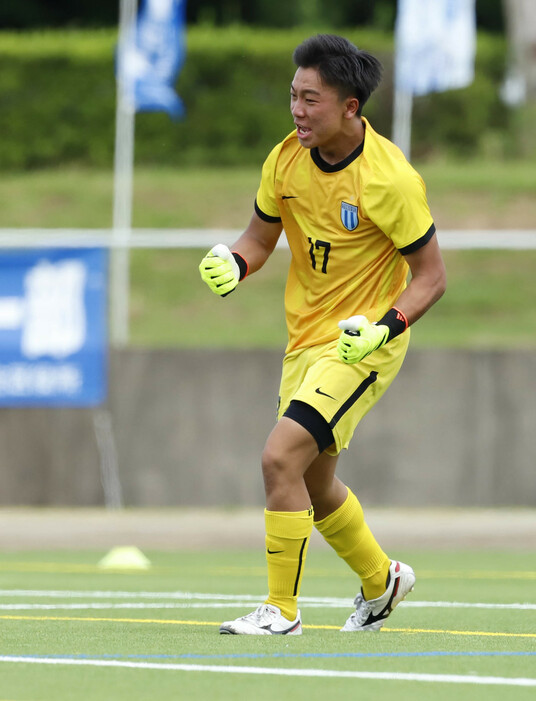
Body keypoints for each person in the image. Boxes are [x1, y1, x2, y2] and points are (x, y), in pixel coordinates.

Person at [198, 34, 446, 635]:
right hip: (304, 340)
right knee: (313, 478)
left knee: (278, 455)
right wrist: (235, 262)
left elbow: (432, 277)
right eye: (293, 96)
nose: (298, 110)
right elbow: (259, 239)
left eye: (311, 99)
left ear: (350, 107)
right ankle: (381, 578)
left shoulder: (390, 179)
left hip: (363, 344)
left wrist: (381, 331)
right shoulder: (284, 160)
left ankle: (281, 611)